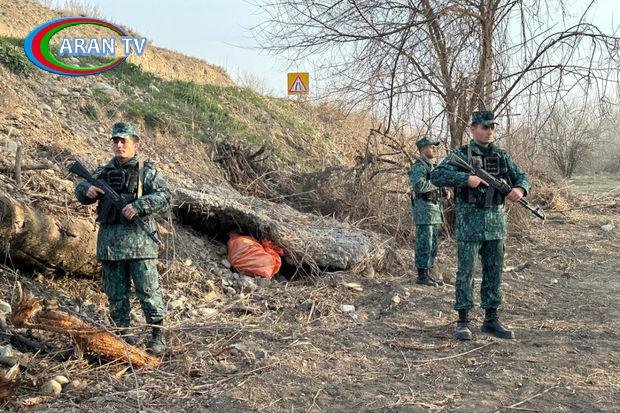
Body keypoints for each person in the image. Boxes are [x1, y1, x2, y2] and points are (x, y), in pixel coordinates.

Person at [430, 111, 531, 340]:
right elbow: (436, 176)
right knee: (465, 272)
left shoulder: (501, 155)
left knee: (494, 272)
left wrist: (520, 189)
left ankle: (491, 319)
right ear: (473, 129)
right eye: (485, 127)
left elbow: (522, 176)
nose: (489, 131)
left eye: (492, 127)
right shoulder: (460, 154)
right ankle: (463, 320)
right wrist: (466, 179)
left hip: (496, 225)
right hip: (469, 225)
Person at [75, 122, 171, 355]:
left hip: (140, 244)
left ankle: (157, 335)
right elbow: (81, 188)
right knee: (116, 294)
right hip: (110, 244)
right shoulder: (102, 172)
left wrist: (139, 205)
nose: (119, 145)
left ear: (135, 144)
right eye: (115, 141)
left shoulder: (147, 172)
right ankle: (122, 335)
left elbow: (165, 195)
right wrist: (85, 190)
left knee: (148, 291)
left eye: (123, 141)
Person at [408, 136, 445, 287]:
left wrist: (444, 191)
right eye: (431, 146)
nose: (435, 149)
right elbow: (419, 186)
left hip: (434, 211)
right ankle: (422, 276)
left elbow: (434, 185)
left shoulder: (431, 166)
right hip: (424, 211)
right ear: (423, 149)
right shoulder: (419, 167)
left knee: (433, 244)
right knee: (424, 243)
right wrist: (437, 182)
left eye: (435, 146)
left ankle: (429, 274)